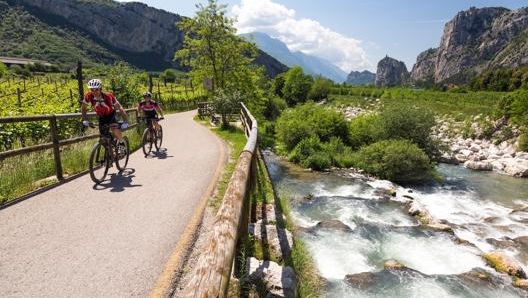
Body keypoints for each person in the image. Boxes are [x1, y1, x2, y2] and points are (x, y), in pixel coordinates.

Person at [81, 78, 129, 151]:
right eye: (92, 90)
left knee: (114, 129)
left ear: (100, 89)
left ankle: (121, 143)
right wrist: (85, 120)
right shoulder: (88, 96)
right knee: (103, 136)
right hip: (101, 117)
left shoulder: (108, 96)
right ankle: (109, 153)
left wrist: (126, 121)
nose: (94, 92)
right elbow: (83, 108)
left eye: (96, 89)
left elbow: (120, 108)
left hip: (111, 115)